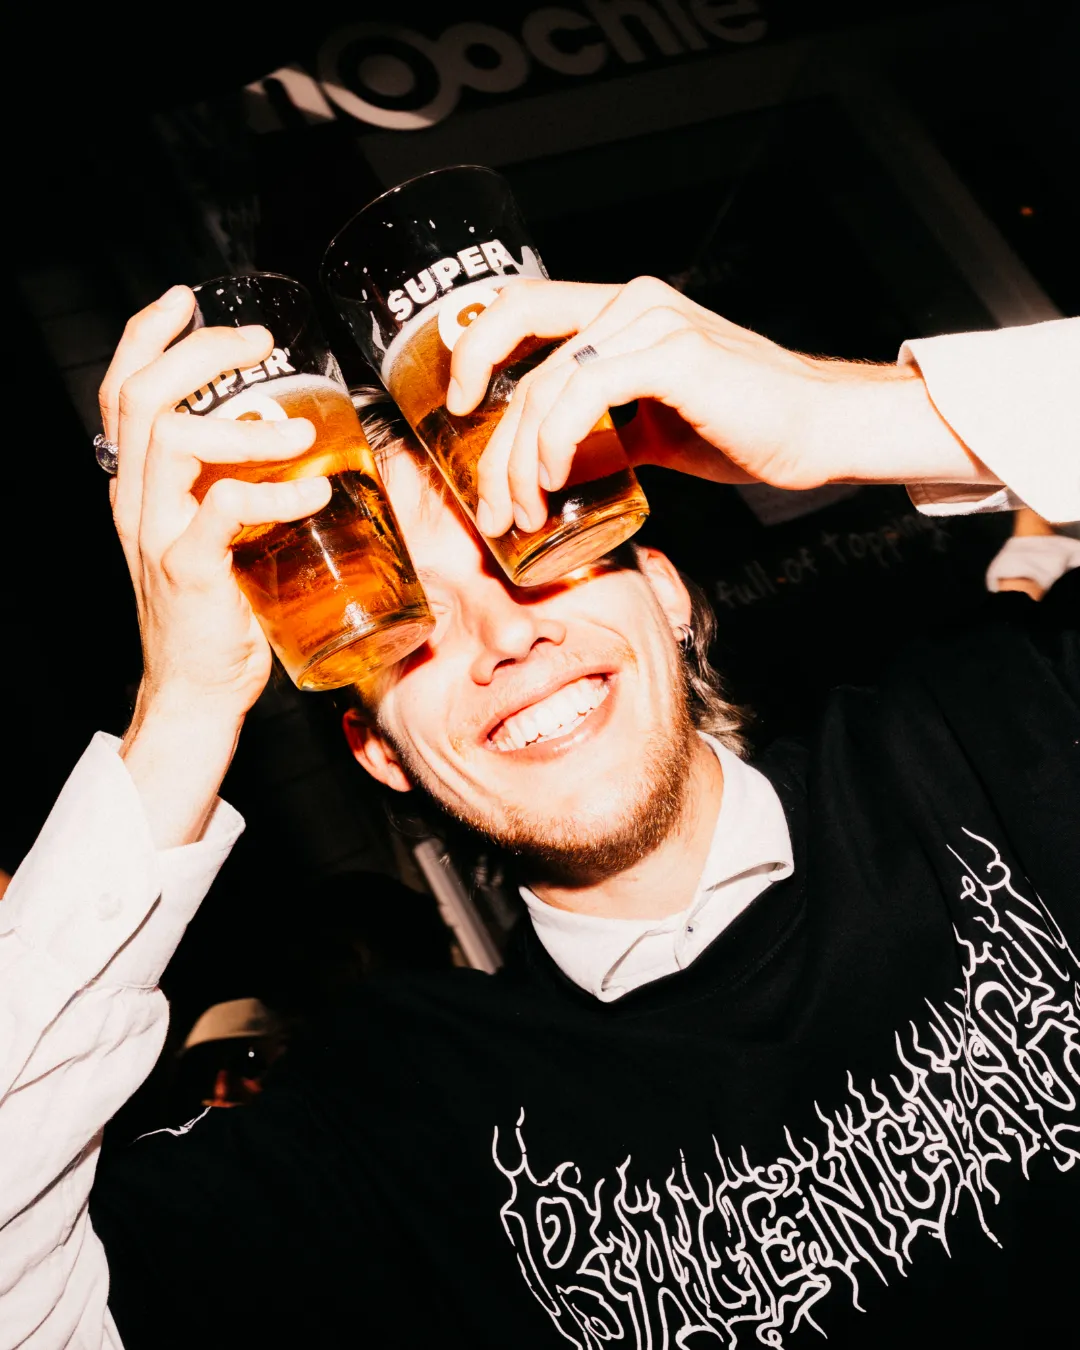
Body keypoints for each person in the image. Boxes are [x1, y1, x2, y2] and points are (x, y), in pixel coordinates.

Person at [1, 279, 1077, 1350]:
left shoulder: (998, 725)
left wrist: (856, 415)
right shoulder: (392, 1129)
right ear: (379, 752)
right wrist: (180, 714)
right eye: (411, 622)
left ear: (665, 591)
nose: (508, 638)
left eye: (533, 545)